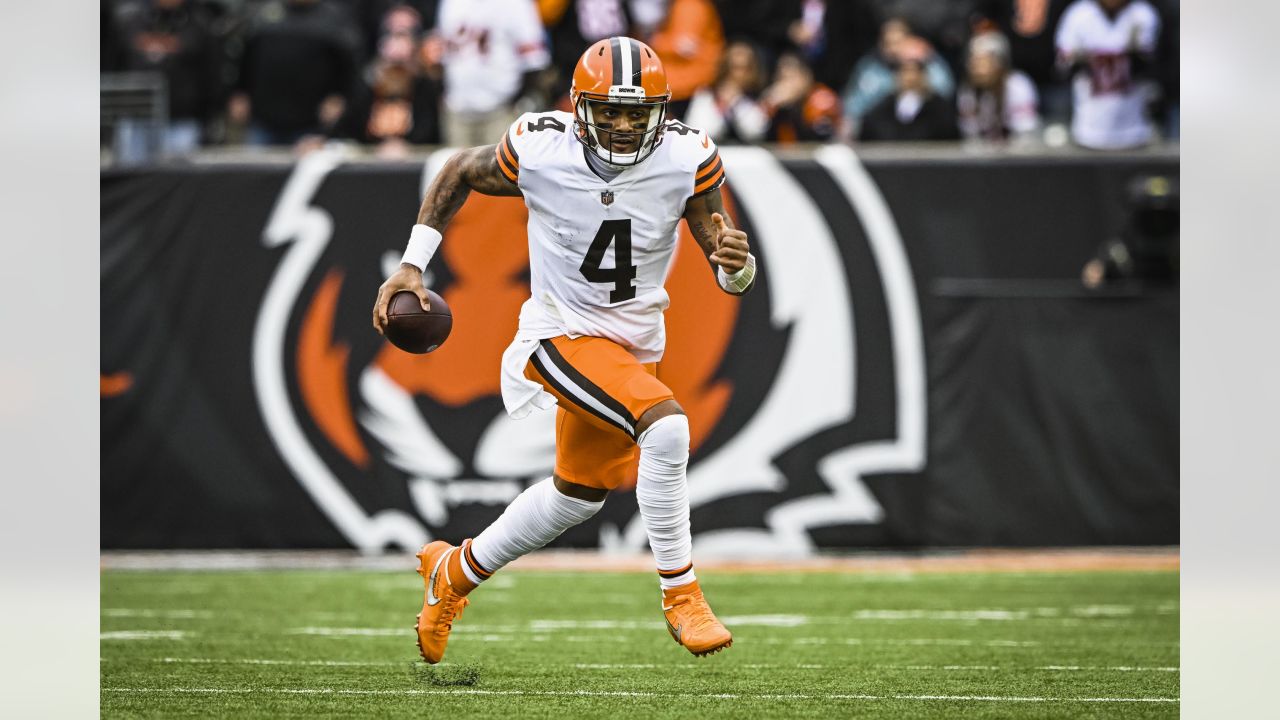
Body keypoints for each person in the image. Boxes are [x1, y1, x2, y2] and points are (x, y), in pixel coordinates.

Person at [372, 36, 751, 664]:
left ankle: (453, 574)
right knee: (666, 428)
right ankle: (682, 593)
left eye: (638, 113)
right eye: (610, 111)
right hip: (560, 331)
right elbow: (459, 170)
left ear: (661, 111)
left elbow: (725, 262)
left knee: (576, 495)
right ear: (581, 110)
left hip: (635, 341)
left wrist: (738, 270)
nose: (625, 126)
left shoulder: (688, 157)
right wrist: (413, 267)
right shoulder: (542, 148)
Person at [436, 0, 550, 146]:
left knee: (501, 168)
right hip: (457, 111)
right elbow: (443, 54)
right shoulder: (450, 3)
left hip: (501, 111)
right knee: (458, 166)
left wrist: (516, 104)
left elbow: (534, 62)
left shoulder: (516, 4)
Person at [1055, 0, 1161, 150]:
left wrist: (1134, 56)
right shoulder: (1079, 14)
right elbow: (1063, 68)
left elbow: (1153, 69)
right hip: (1088, 130)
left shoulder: (1142, 14)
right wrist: (1085, 61)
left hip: (1134, 129)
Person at [956, 32, 1040, 142]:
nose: (976, 68)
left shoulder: (1018, 85)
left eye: (982, 61)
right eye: (973, 61)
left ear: (998, 62)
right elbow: (970, 134)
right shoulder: (967, 89)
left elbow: (1026, 132)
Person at [683, 40, 771, 143]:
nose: (737, 75)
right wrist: (721, 105)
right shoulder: (706, 94)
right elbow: (700, 132)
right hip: (714, 154)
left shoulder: (757, 95)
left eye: (744, 68)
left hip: (750, 155)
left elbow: (754, 133)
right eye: (733, 67)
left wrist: (737, 102)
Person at [857, 55, 960, 142]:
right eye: (904, 72)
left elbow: (949, 133)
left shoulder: (939, 108)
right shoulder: (883, 108)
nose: (910, 78)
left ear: (924, 76)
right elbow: (869, 129)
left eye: (914, 72)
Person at [762, 52, 842, 143]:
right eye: (782, 78)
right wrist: (770, 105)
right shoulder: (775, 103)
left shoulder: (822, 98)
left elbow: (820, 139)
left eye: (791, 77)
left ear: (806, 77)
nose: (786, 84)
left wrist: (793, 112)